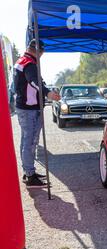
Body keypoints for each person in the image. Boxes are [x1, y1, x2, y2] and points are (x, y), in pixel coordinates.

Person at [14, 39, 60, 188]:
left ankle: (28, 171)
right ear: (40, 51)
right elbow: (34, 81)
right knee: (30, 142)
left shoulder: (21, 61)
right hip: (29, 109)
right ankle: (30, 175)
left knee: (25, 141)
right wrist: (48, 93)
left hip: (24, 108)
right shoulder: (29, 63)